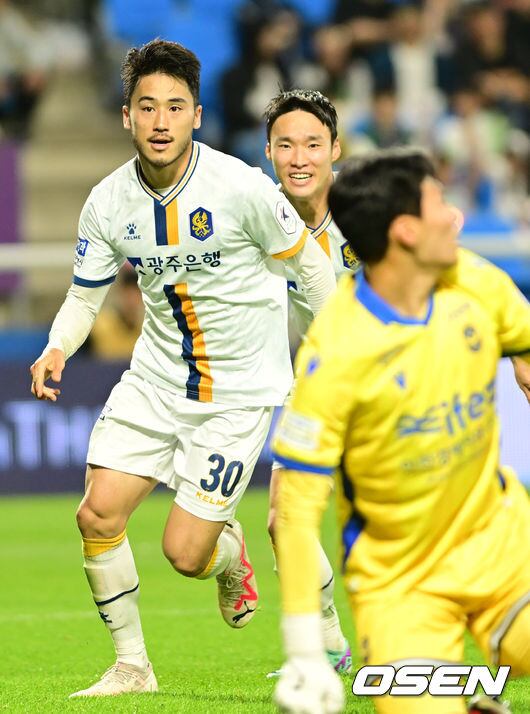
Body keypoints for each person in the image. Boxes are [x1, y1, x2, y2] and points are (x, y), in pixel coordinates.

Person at [29, 39, 336, 698]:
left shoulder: (242, 188)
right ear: (126, 117)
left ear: (197, 115)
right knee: (96, 515)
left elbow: (312, 270)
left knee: (185, 554)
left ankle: (228, 558)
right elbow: (85, 295)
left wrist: (342, 345)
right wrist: (57, 346)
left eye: (175, 107)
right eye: (147, 107)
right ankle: (132, 667)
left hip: (239, 394)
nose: (161, 121)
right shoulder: (108, 201)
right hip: (155, 380)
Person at [271, 147, 530, 714]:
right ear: (406, 232)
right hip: (399, 584)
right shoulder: (334, 356)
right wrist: (305, 652)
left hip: (502, 545)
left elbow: (525, 335)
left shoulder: (474, 282)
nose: (456, 217)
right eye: (439, 203)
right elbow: (295, 508)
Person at [263, 88, 358, 675]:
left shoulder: (367, 211)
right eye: (286, 145)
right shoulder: (254, 214)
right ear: (268, 151)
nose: (299, 159)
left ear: (335, 150)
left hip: (385, 387)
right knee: (284, 522)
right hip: (312, 388)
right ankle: (327, 643)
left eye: (313, 145)